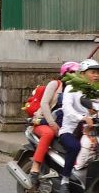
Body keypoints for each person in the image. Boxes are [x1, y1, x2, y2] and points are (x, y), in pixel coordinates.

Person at [29, 62, 80, 190]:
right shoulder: (55, 84)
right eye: (72, 73)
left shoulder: (78, 89)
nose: (75, 76)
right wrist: (52, 123)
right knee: (48, 133)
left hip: (64, 125)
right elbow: (44, 104)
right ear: (65, 74)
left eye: (77, 74)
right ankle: (35, 168)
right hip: (44, 121)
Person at [58, 59, 99, 193]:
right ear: (82, 73)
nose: (96, 75)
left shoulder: (95, 90)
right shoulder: (72, 88)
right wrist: (82, 118)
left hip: (92, 130)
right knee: (75, 147)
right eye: (93, 72)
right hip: (70, 130)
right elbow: (67, 109)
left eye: (98, 72)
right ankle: (65, 180)